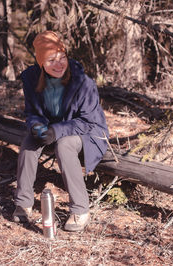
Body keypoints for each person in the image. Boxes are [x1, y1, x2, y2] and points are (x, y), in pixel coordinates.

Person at [12, 31, 109, 232]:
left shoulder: (83, 82)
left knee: (65, 145)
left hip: (89, 132)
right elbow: (32, 112)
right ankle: (23, 203)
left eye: (61, 58)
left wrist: (56, 131)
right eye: (51, 60)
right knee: (30, 142)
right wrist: (37, 127)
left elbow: (88, 121)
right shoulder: (31, 79)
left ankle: (80, 209)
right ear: (41, 64)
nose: (59, 64)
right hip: (55, 128)